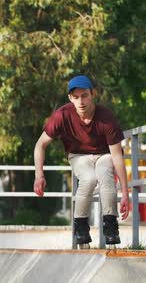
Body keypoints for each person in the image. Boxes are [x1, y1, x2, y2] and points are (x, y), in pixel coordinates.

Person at [33, 75, 129, 245]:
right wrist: (39, 176)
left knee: (105, 174)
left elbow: (117, 156)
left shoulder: (106, 117)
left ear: (92, 94)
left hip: (104, 154)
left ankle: (110, 225)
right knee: (89, 179)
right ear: (70, 98)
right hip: (78, 155)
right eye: (76, 97)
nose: (81, 101)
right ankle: (81, 225)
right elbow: (40, 145)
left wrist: (125, 194)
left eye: (85, 95)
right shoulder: (62, 115)